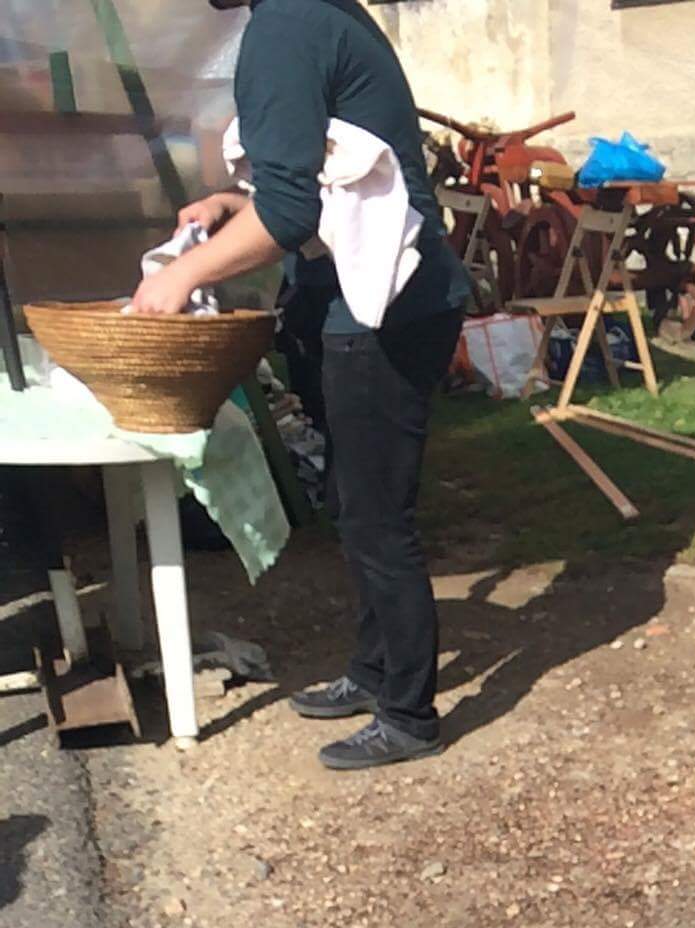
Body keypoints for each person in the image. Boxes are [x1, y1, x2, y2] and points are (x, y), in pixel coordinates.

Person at [131, 0, 470, 771]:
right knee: (352, 504)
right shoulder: (317, 15)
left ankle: (409, 715)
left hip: (382, 307)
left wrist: (182, 275)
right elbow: (319, 180)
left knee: (378, 518)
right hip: (362, 297)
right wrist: (230, 206)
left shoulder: (287, 25)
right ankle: (376, 671)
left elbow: (288, 212)